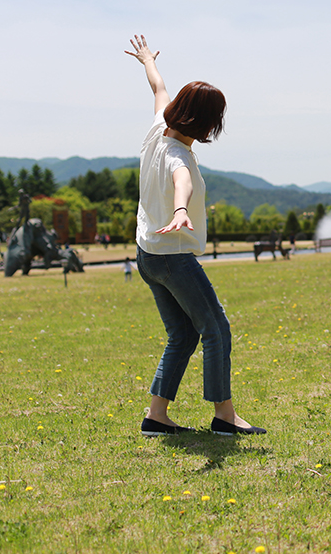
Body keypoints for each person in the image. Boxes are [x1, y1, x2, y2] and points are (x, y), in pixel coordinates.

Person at [126, 34, 264, 437]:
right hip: (171, 257)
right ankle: (224, 416)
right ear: (207, 124)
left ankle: (156, 416)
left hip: (148, 254)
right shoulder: (177, 155)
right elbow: (181, 180)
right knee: (216, 330)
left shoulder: (156, 130)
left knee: (183, 334)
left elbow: (158, 86)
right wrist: (181, 209)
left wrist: (147, 59)